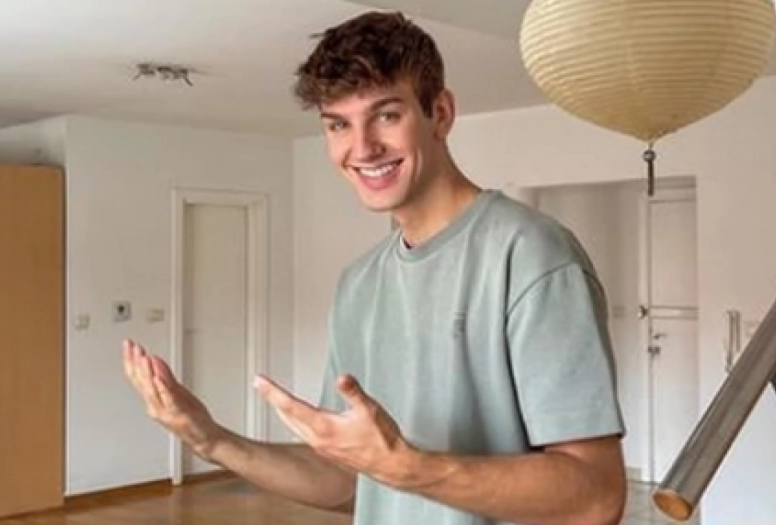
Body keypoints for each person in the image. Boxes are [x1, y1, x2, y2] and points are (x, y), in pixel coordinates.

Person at [123, 10, 627, 525]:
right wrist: (211, 440)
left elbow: (597, 498)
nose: (362, 148)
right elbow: (344, 479)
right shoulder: (359, 284)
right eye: (338, 124)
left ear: (440, 114)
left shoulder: (531, 255)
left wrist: (409, 468)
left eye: (386, 115)